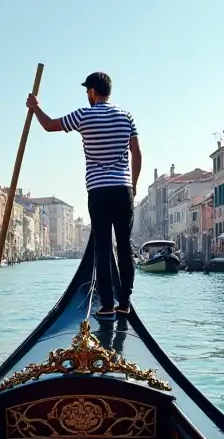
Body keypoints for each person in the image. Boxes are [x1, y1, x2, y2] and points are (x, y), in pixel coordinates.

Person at [27, 71, 141, 319]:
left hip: (98, 190)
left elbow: (49, 126)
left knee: (102, 246)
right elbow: (137, 153)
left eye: (86, 91)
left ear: (92, 91)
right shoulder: (126, 116)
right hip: (123, 189)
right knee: (124, 247)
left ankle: (108, 305)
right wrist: (134, 185)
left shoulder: (84, 115)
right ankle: (125, 302)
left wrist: (35, 107)